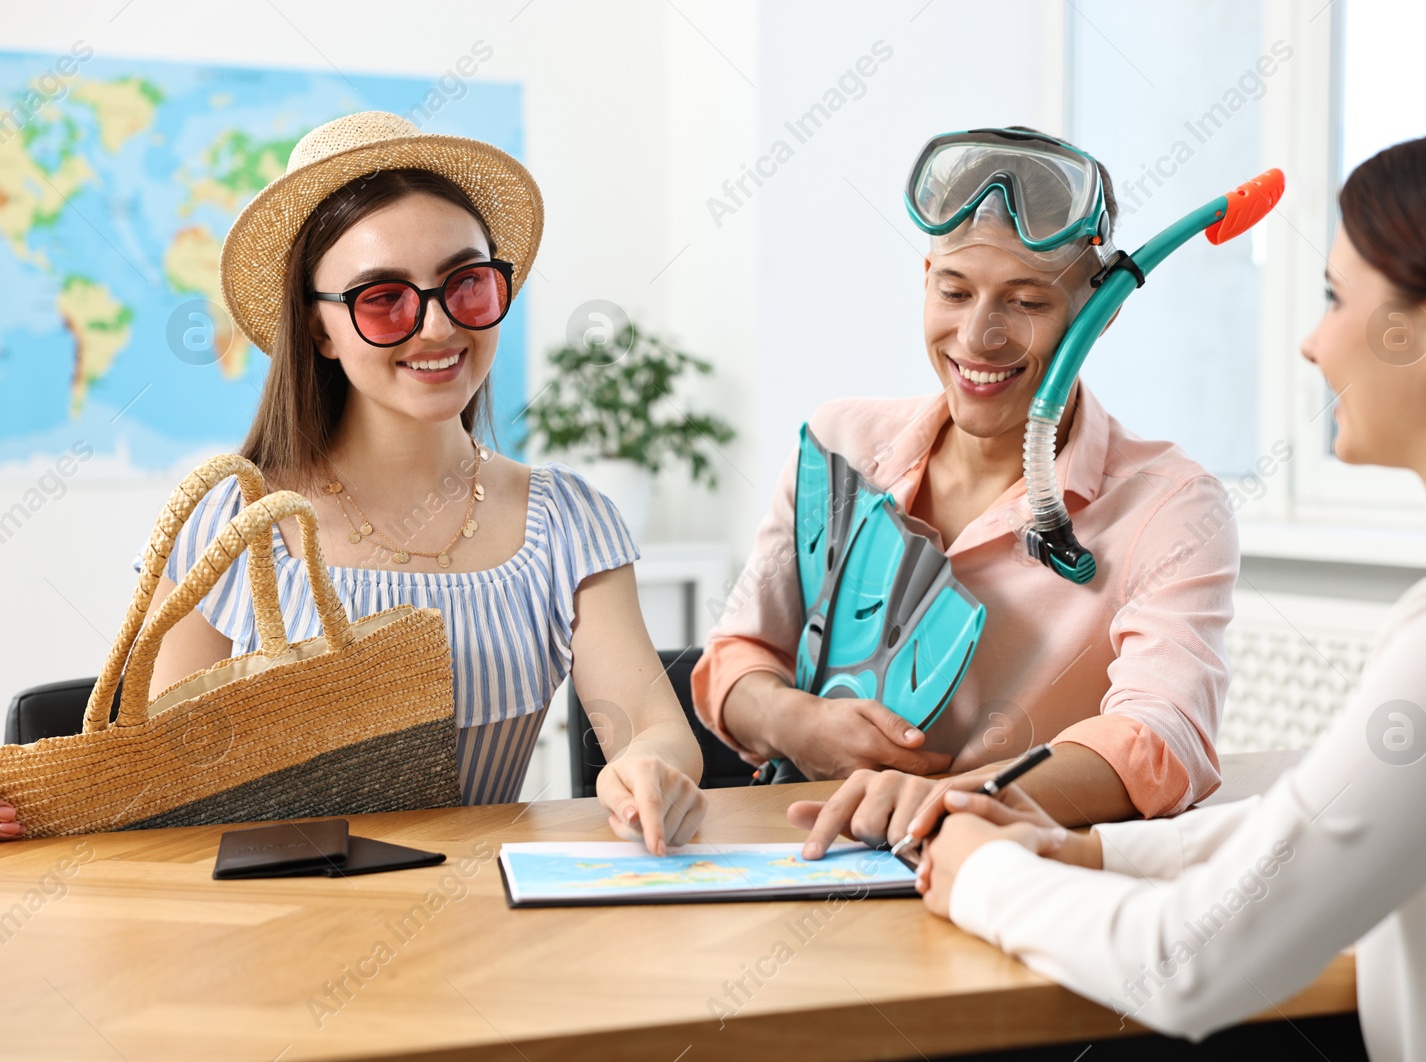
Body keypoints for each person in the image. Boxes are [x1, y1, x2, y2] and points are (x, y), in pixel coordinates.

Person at [915, 116, 1426, 1062]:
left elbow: (1191, 962)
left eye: (1333, 298)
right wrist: (1088, 851)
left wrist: (981, 872)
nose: (1314, 345)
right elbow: (1321, 821)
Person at [0, 112, 707, 852]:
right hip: (277, 936)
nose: (436, 328)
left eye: (465, 284)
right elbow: (154, 792)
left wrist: (649, 768)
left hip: (490, 930)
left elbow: (652, 722)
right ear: (318, 329)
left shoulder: (567, 518)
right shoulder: (233, 522)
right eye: (383, 298)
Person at [691, 127, 1243, 858]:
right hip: (801, 856)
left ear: (1099, 313)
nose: (978, 336)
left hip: (1000, 880)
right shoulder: (839, 444)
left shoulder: (1171, 506)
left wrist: (963, 798)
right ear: (927, 279)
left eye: (1026, 302)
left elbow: (1161, 738)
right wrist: (802, 725)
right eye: (954, 291)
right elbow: (735, 660)